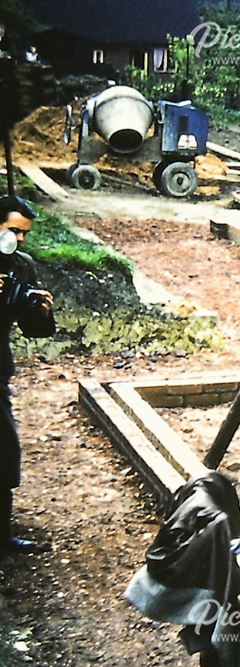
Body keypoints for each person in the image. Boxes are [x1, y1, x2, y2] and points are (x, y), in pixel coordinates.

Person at [0, 196, 55, 554]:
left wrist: (41, 310)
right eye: (13, 232)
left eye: (24, 234)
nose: (19, 240)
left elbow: (34, 329)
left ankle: (2, 539)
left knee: (5, 452)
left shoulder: (22, 267)